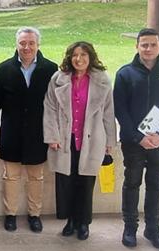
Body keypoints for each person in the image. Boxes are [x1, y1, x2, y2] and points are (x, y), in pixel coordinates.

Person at [114, 28, 159, 250]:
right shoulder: (125, 73)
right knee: (132, 183)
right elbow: (120, 109)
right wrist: (138, 136)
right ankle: (130, 228)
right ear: (136, 46)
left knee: (156, 184)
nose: (148, 49)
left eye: (152, 44)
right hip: (134, 142)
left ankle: (152, 229)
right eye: (144, 44)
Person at [43, 41, 116, 240]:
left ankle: (83, 223)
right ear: (69, 57)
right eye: (75, 55)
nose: (79, 59)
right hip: (65, 140)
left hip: (91, 140)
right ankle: (70, 221)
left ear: (90, 57)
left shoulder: (102, 80)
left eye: (84, 55)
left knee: (85, 183)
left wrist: (110, 141)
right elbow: (49, 108)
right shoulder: (58, 79)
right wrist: (52, 136)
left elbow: (109, 113)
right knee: (66, 183)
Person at [0, 27, 58, 233]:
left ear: (38, 45)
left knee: (36, 177)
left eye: (31, 43)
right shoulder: (3, 69)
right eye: (23, 43)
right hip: (11, 132)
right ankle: (10, 214)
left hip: (38, 134)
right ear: (16, 44)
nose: (27, 47)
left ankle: (34, 214)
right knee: (10, 177)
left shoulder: (51, 69)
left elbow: (55, 103)